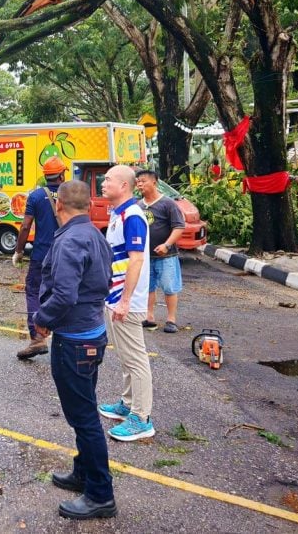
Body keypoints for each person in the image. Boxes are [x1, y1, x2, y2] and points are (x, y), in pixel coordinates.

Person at [34, 180, 116, 520]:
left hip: (74, 341)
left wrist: (42, 320)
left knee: (84, 419)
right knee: (85, 410)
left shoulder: (69, 241)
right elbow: (107, 281)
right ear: (89, 206)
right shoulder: (96, 235)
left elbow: (64, 295)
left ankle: (100, 495)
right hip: (92, 334)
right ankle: (83, 472)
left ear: (58, 206)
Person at [98, 164, 155, 441]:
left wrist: (125, 300)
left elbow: (137, 260)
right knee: (125, 356)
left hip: (126, 301)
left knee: (136, 359)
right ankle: (128, 403)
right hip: (115, 297)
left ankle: (141, 418)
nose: (103, 183)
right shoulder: (118, 214)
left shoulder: (132, 216)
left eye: (108, 179)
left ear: (123, 186)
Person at [12, 156, 66, 359]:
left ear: (45, 176)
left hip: (42, 255)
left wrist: (18, 251)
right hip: (66, 254)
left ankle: (37, 339)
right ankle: (65, 339)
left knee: (34, 292)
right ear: (62, 175)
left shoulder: (35, 196)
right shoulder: (70, 194)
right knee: (64, 293)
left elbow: (25, 226)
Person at [135, 169, 185, 333]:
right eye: (138, 182)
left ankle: (171, 320)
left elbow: (179, 227)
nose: (139, 184)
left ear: (154, 182)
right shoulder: (138, 205)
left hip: (166, 256)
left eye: (143, 181)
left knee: (169, 287)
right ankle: (149, 317)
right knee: (148, 287)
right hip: (145, 256)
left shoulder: (168, 204)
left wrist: (167, 245)